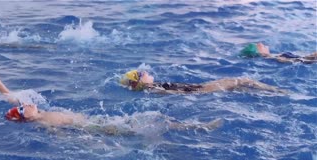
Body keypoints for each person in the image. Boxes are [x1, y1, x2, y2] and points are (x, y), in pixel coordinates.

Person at [0, 72, 222, 133]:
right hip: (97, 129)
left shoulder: (39, 112)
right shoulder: (44, 123)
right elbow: (65, 138)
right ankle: (196, 127)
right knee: (148, 124)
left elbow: (14, 98)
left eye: (24, 105)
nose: (27, 104)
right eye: (24, 109)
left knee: (147, 121)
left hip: (96, 122)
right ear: (26, 118)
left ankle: (190, 126)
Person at [119, 69, 286, 94]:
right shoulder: (153, 88)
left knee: (239, 85)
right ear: (139, 81)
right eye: (142, 73)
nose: (147, 72)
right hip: (200, 91)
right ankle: (277, 91)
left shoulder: (153, 87)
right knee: (241, 80)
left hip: (198, 89)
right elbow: (173, 93)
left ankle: (268, 92)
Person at [240, 42, 317, 64]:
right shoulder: (270, 57)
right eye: (260, 46)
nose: (261, 44)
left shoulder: (271, 56)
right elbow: (284, 60)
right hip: (299, 60)